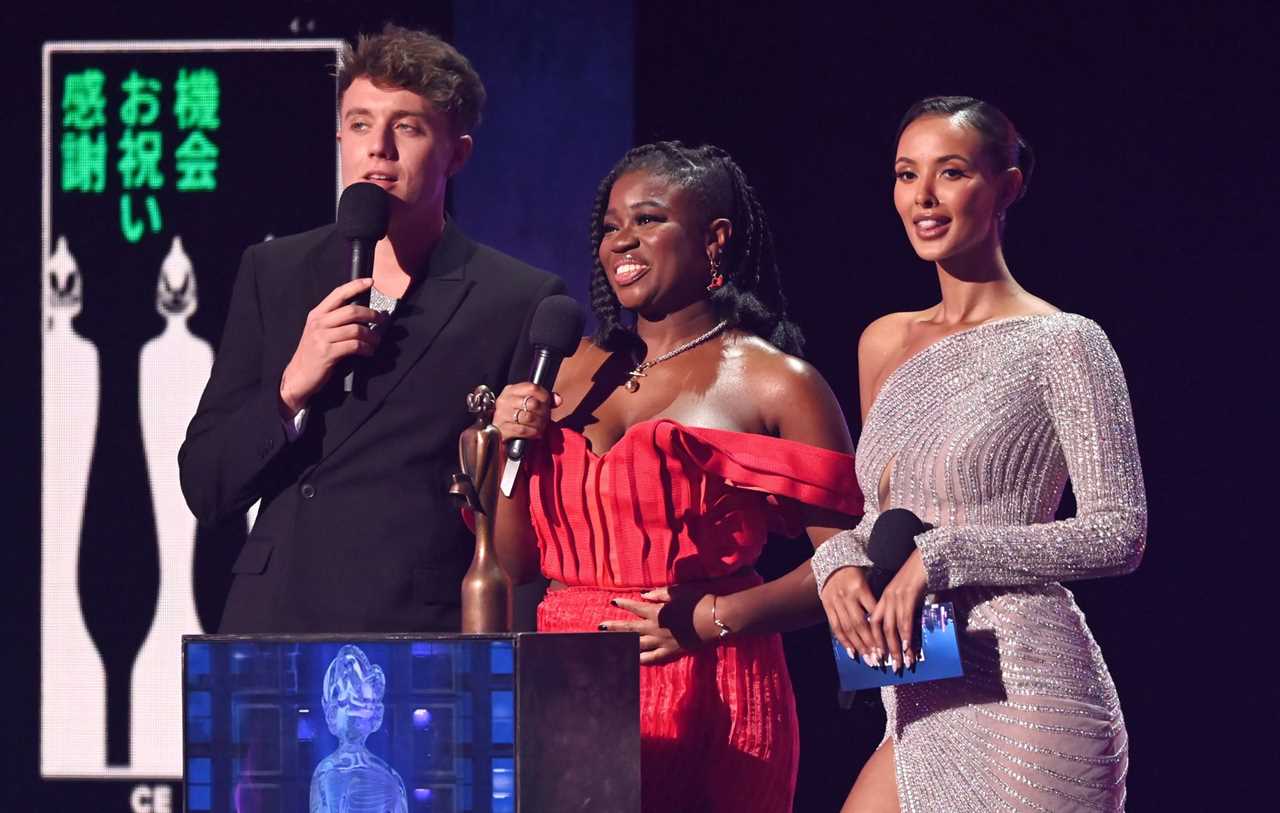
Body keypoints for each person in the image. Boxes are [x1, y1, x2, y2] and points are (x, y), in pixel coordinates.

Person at [489, 141, 863, 812]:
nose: (621, 240)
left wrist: (713, 617)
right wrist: (505, 452)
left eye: (649, 219)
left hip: (709, 685)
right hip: (566, 687)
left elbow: (847, 569)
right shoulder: (568, 368)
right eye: (609, 226)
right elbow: (516, 564)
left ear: (714, 239)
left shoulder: (777, 383)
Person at [812, 96, 1146, 812]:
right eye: (906, 175)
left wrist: (946, 555)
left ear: (1008, 186)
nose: (923, 197)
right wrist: (835, 561)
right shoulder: (882, 342)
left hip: (1025, 686)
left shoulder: (1065, 342)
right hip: (918, 689)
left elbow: (1121, 532)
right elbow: (886, 516)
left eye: (951, 171)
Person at [178, 25, 564, 633]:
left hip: (418, 629)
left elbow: (524, 518)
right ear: (339, 139)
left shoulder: (515, 299)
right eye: (360, 125)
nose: (377, 148)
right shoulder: (274, 272)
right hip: (280, 621)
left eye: (406, 127)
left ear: (457, 153)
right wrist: (290, 389)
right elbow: (206, 486)